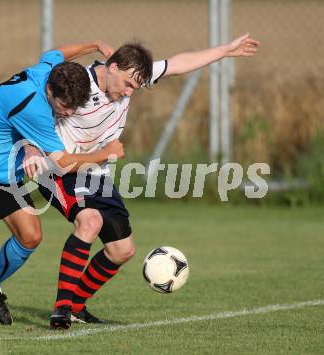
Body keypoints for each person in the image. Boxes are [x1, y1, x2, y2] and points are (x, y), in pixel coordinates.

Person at [32, 33, 260, 329]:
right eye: (128, 84)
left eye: (136, 87)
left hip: (95, 174)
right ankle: (61, 310)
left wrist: (225, 50)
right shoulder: (77, 85)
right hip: (60, 171)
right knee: (89, 222)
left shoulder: (131, 76)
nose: (129, 93)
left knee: (122, 250)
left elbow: (178, 63)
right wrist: (27, 147)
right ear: (112, 67)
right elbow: (36, 101)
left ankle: (76, 307)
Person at [0, 40, 124, 330]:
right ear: (50, 92)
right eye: (64, 106)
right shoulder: (35, 108)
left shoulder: (46, 71)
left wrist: (94, 45)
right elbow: (63, 163)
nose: (68, 113)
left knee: (30, 236)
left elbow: (56, 54)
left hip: (3, 174)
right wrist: (106, 153)